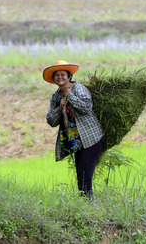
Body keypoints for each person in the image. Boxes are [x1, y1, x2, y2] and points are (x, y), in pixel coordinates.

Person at [43, 60, 105, 198]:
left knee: (85, 176)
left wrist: (70, 96)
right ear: (53, 78)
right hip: (75, 141)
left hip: (90, 138)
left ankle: (88, 205)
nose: (60, 77)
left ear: (69, 75)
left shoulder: (78, 88)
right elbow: (51, 121)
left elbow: (86, 108)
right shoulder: (55, 97)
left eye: (63, 74)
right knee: (81, 175)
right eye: (56, 75)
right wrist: (60, 107)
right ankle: (86, 204)